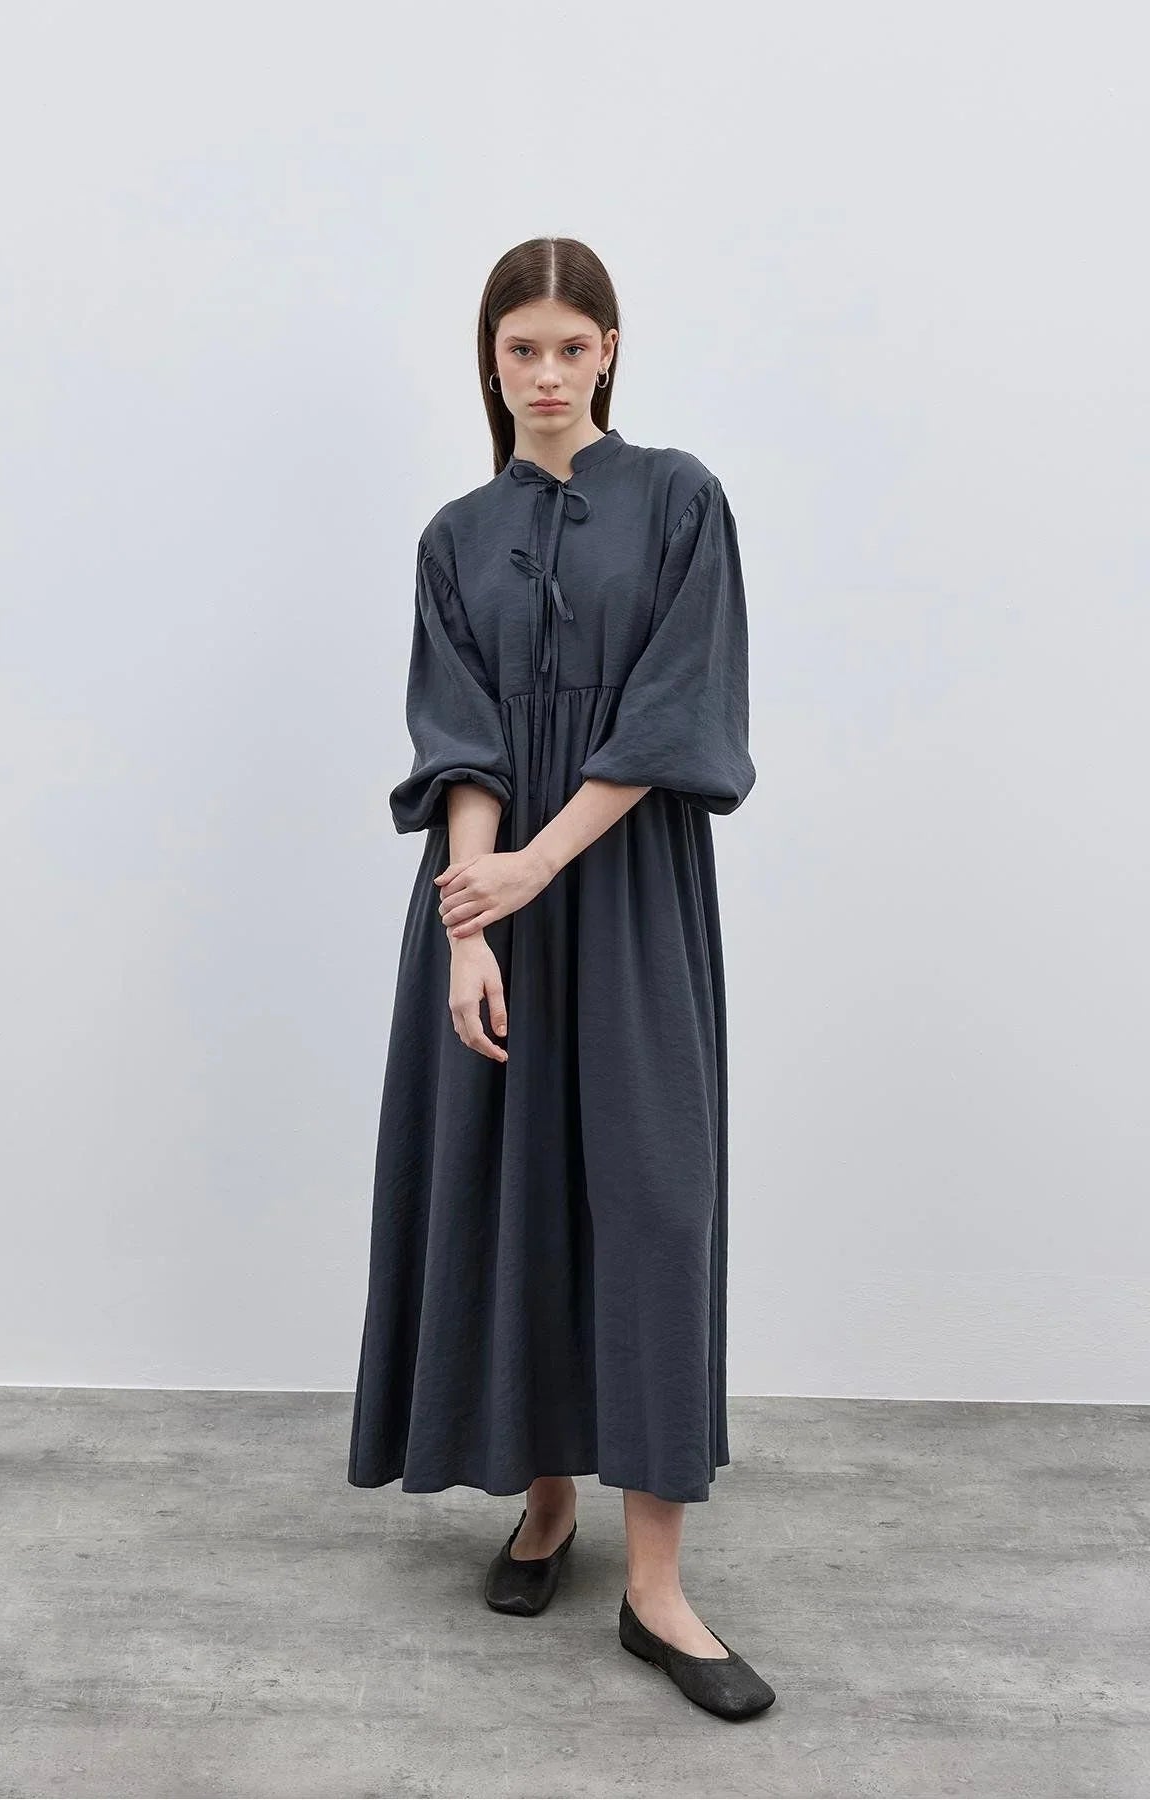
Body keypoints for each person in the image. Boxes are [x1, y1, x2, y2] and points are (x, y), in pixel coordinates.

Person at [347, 236, 775, 1720]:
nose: (545, 373)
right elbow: (456, 733)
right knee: (514, 1188)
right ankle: (542, 1505)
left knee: (653, 1205)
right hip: (493, 902)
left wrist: (541, 862)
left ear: (610, 351)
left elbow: (678, 711)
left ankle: (658, 1589)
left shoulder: (680, 498)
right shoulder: (456, 534)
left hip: (627, 887)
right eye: (519, 349)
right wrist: (474, 922)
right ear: (490, 360)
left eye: (569, 347)